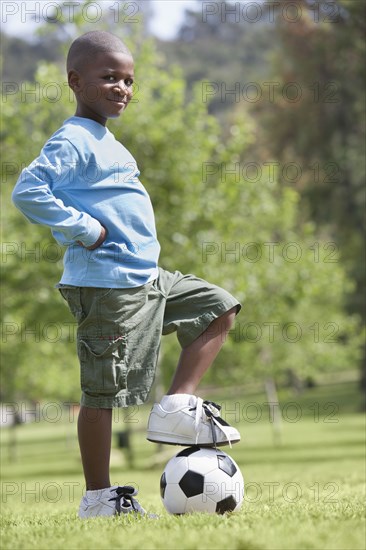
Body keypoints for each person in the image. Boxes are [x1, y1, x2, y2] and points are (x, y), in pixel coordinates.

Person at [12, 31, 242, 519]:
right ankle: (99, 497)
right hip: (107, 285)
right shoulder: (73, 138)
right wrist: (84, 229)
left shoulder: (106, 139)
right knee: (102, 392)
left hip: (147, 278)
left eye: (129, 80)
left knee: (216, 307)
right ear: (75, 81)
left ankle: (177, 405)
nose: (122, 88)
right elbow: (28, 191)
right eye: (109, 77)